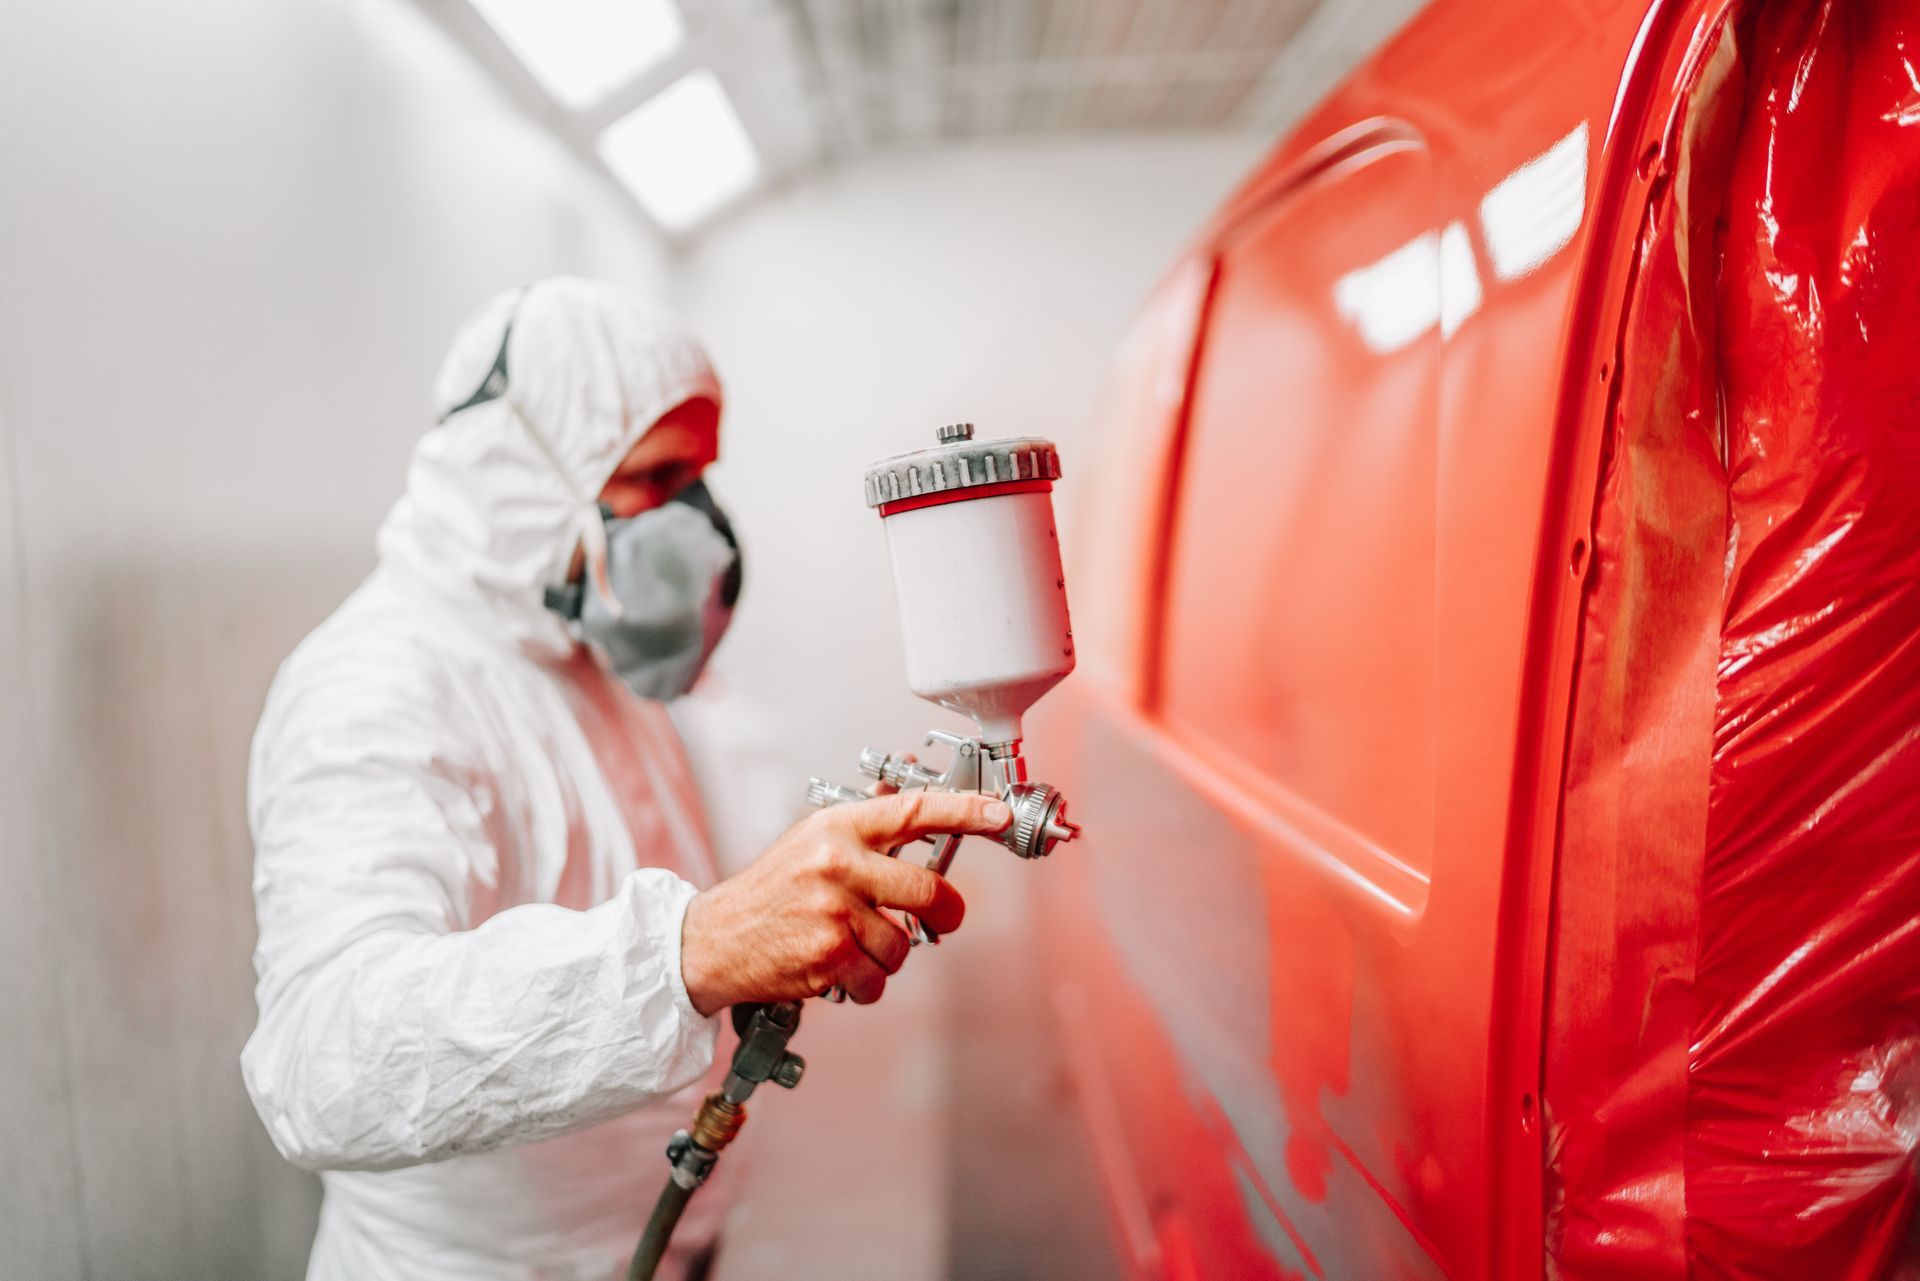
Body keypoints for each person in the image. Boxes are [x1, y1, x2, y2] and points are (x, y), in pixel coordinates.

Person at [240, 277, 1009, 1280]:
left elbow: (651, 863)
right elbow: (322, 1059)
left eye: (703, 479)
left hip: (659, 1244)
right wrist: (691, 952)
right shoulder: (378, 687)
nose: (699, 525)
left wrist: (814, 874)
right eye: (659, 477)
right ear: (521, 472)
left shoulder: (585, 650)